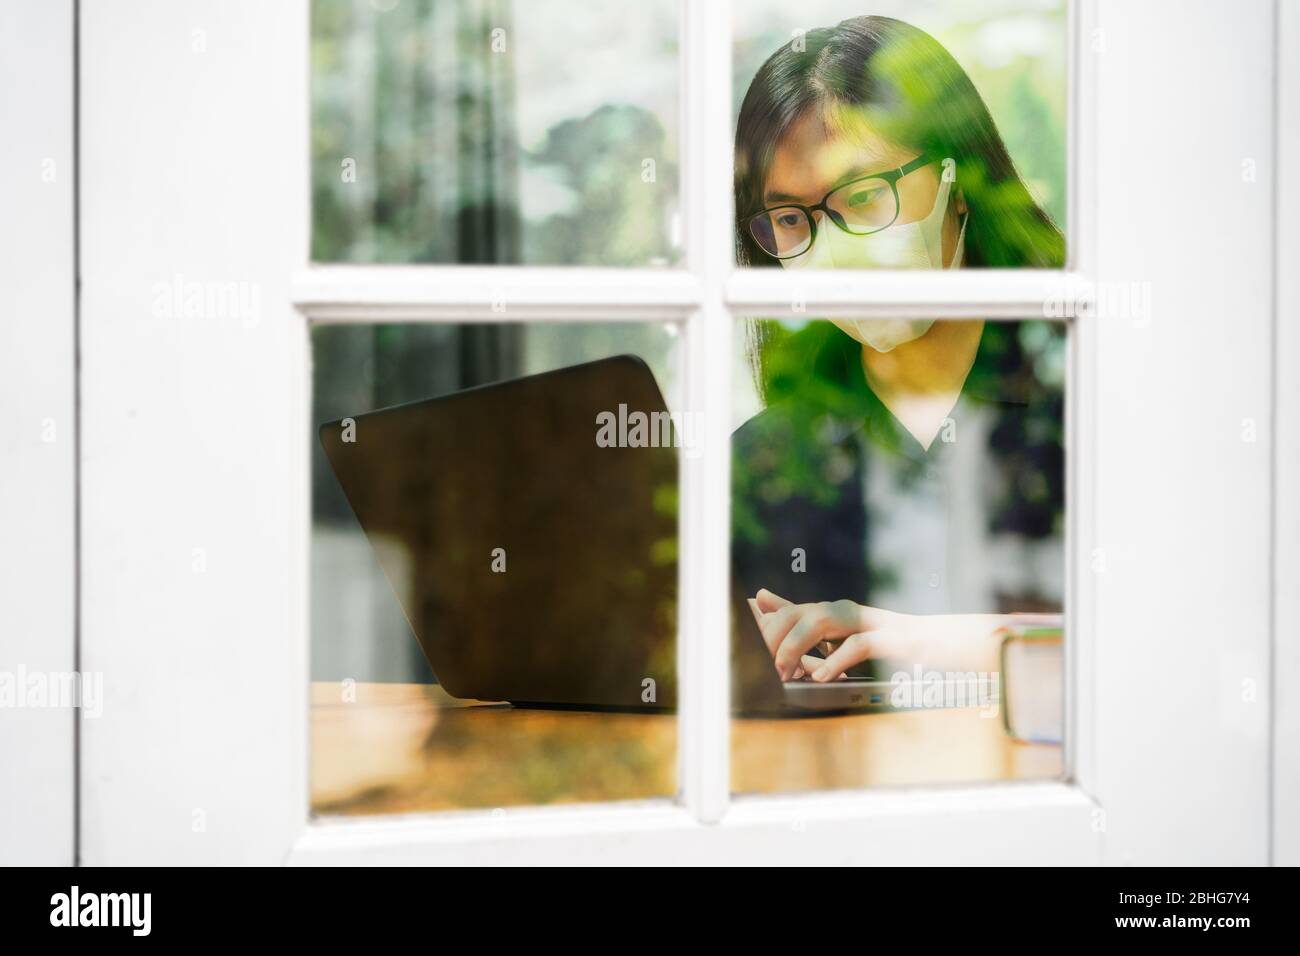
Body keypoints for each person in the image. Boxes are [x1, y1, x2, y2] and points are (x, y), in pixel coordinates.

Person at [731, 15, 1064, 682]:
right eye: (791, 219)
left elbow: (1164, 628)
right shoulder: (773, 460)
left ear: (960, 182)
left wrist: (914, 637)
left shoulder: (1071, 400)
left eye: (861, 196)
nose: (833, 249)